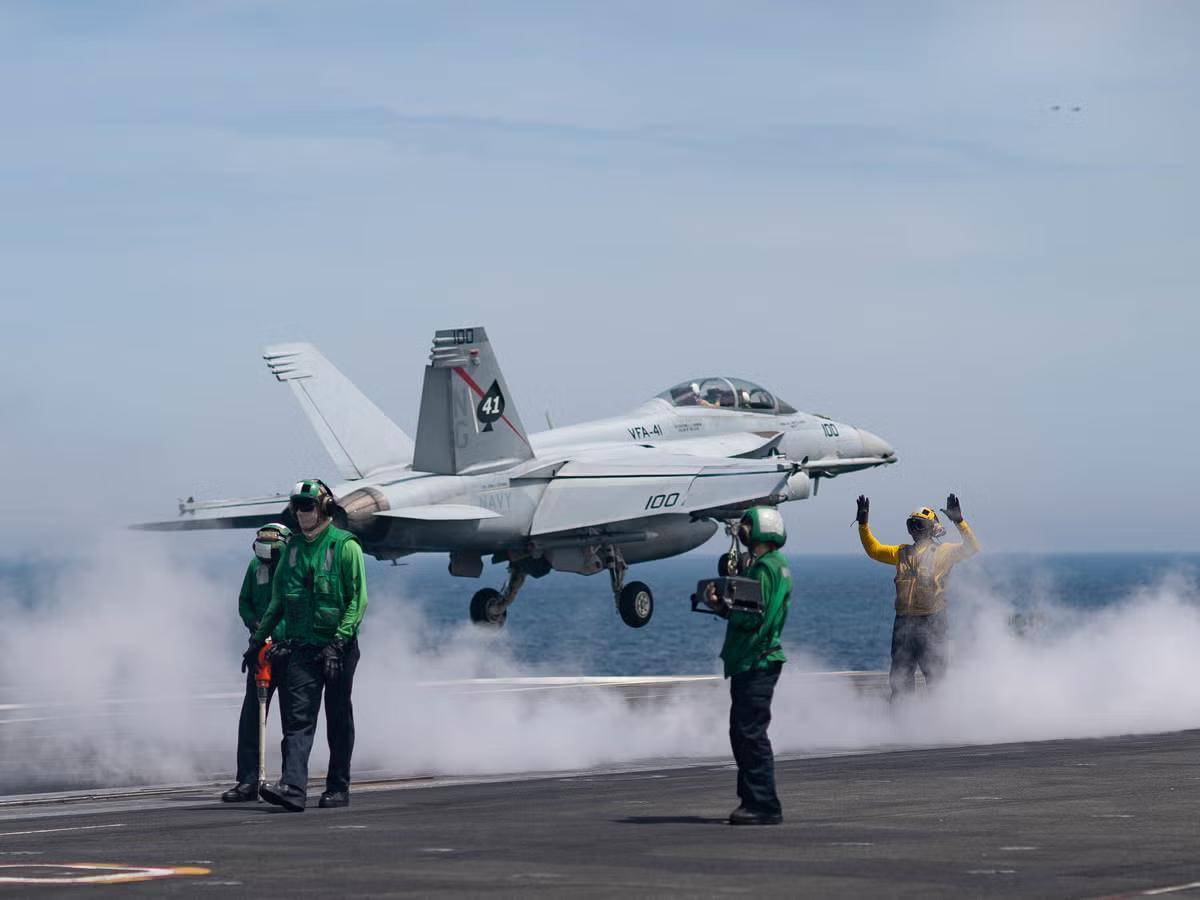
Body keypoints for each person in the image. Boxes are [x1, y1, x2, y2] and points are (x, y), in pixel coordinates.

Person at [245, 479, 368, 812]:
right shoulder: (292, 550)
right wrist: (256, 642)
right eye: (296, 506)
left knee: (338, 716)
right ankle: (293, 788)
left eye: (307, 506)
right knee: (297, 719)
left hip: (338, 649)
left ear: (324, 508)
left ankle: (338, 788)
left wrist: (339, 642)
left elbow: (358, 600)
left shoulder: (345, 547)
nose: (300, 512)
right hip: (302, 647)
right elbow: (278, 602)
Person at [704, 506, 792, 826]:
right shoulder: (774, 565)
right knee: (743, 733)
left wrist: (721, 605)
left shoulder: (765, 569)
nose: (741, 532)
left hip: (756, 658)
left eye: (745, 526)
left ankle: (763, 804)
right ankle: (752, 801)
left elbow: (753, 616)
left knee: (750, 734)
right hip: (756, 658)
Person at [856, 493, 980, 698]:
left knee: (936, 678)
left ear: (932, 528)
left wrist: (959, 521)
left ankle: (939, 716)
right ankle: (902, 715)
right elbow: (874, 550)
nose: (914, 529)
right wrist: (863, 525)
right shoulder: (902, 553)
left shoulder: (944, 552)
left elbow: (972, 547)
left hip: (933, 622)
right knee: (900, 678)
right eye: (911, 525)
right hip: (904, 623)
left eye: (919, 525)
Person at [221, 523, 291, 802]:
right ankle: (248, 781)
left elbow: (301, 608)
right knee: (252, 715)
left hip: (290, 650)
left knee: (293, 719)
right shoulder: (255, 567)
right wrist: (255, 626)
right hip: (260, 649)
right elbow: (245, 601)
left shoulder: (296, 569)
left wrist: (282, 637)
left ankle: (290, 781)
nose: (268, 559)